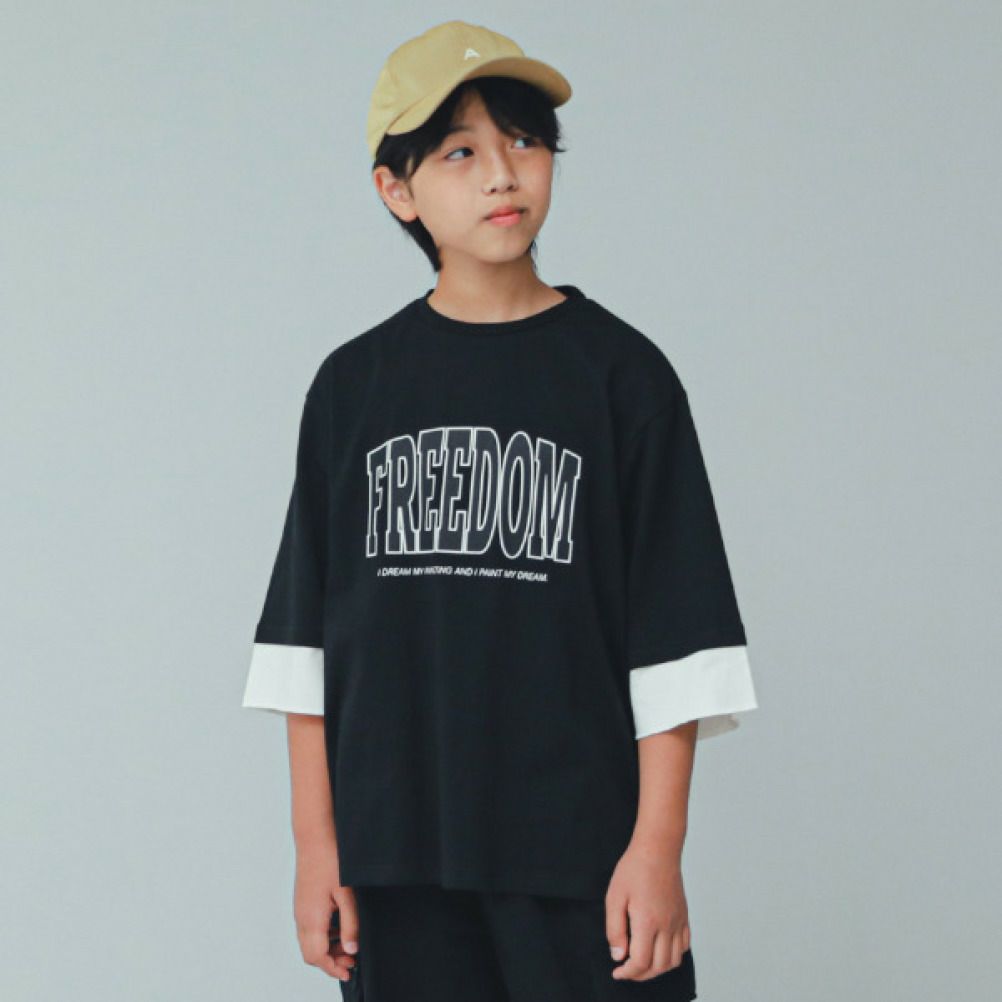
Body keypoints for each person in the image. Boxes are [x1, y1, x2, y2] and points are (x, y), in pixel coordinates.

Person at [242, 19, 758, 1002]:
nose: (503, 175)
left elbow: (679, 645)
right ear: (397, 189)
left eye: (525, 141)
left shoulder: (623, 379)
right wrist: (317, 849)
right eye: (460, 152)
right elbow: (305, 648)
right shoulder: (355, 387)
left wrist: (657, 850)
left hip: (581, 856)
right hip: (398, 860)